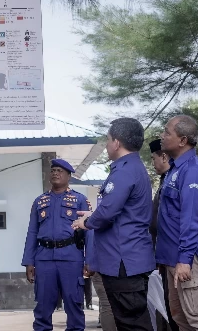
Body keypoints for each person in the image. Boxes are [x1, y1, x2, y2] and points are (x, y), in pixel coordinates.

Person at [73, 117, 155, 331]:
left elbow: (108, 212)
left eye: (108, 140)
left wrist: (86, 221)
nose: (107, 145)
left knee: (132, 322)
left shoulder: (124, 171)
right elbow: (120, 210)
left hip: (123, 260)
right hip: (128, 258)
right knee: (129, 320)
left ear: (117, 143)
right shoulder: (133, 168)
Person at [156, 115, 198, 330]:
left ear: (182, 140)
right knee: (182, 319)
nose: (162, 136)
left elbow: (192, 220)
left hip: (188, 260)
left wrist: (184, 259)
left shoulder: (192, 171)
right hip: (173, 258)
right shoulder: (176, 168)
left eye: (166, 132)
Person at [22, 159, 90, 331]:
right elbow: (32, 232)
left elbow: (90, 232)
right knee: (43, 307)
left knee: (74, 305)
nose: (55, 173)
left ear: (68, 176)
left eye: (60, 171)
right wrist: (29, 261)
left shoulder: (80, 200)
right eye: (53, 170)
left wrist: (90, 260)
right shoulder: (40, 201)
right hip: (44, 259)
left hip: (71, 258)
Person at [148, 139, 179, 331]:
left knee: (182, 313)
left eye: (154, 158)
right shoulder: (164, 181)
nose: (152, 163)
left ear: (164, 156)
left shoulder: (175, 180)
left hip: (176, 256)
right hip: (164, 256)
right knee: (170, 309)